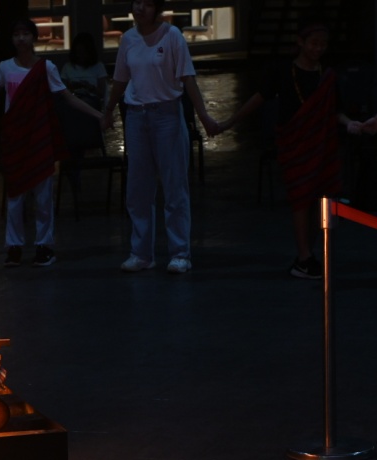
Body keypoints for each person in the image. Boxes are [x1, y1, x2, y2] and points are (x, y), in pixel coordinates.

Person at [217, 17, 352, 279]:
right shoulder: (282, 71)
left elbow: (337, 111)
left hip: (321, 146)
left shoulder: (327, 75)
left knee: (319, 202)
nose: (318, 49)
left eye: (323, 44)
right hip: (295, 144)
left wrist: (353, 124)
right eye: (313, 43)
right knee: (301, 200)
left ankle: (309, 254)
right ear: (300, 43)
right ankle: (304, 258)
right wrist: (229, 122)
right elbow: (259, 98)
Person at [0, 18, 103, 268]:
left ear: (33, 38)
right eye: (16, 33)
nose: (20, 38)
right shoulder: (5, 67)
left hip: (39, 136)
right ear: (11, 39)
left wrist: (98, 115)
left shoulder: (46, 67)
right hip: (15, 137)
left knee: (42, 196)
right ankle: (14, 247)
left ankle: (44, 246)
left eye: (25, 33)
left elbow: (67, 97)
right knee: (15, 196)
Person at [102, 0, 219, 275]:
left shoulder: (172, 35)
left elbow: (187, 77)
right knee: (138, 188)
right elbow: (120, 78)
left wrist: (203, 115)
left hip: (166, 115)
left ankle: (180, 253)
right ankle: (141, 253)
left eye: (146, 3)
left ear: (157, 8)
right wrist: (108, 110)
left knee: (174, 186)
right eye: (136, 3)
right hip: (136, 116)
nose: (139, 8)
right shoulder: (129, 39)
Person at [60, 32, 107, 111]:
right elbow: (61, 92)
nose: (79, 56)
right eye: (77, 53)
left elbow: (102, 94)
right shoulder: (67, 67)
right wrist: (71, 87)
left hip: (92, 102)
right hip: (73, 100)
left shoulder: (98, 66)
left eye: (83, 53)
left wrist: (90, 87)